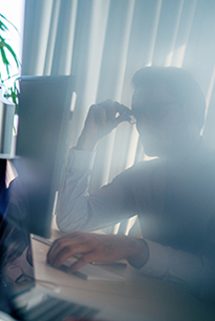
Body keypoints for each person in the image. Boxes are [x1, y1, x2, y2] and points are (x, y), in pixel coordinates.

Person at [47, 67, 215, 299]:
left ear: (192, 111)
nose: (142, 125)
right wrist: (88, 139)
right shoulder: (143, 176)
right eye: (138, 114)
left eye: (154, 111)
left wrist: (136, 248)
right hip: (147, 304)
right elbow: (71, 221)